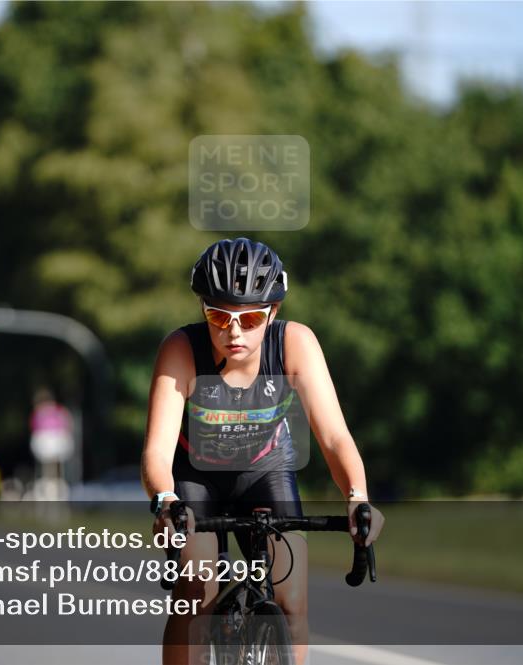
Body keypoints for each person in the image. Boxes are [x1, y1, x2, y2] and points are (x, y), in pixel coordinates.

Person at [141, 238, 384, 665]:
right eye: (219, 316)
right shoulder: (181, 349)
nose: (234, 332)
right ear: (203, 310)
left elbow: (333, 437)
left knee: (291, 602)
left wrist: (357, 498)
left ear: (273, 313)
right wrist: (166, 501)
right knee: (198, 590)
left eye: (250, 317)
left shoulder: (295, 343)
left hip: (265, 470)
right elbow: (157, 452)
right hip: (198, 477)